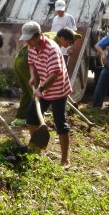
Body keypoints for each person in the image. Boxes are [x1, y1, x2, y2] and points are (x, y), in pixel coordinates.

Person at [20, 21, 72, 167]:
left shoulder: (51, 48)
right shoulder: (32, 46)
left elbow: (54, 74)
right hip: (43, 86)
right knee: (31, 117)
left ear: (38, 36)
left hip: (58, 88)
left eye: (30, 38)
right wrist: (33, 76)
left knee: (60, 122)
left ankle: (65, 160)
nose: (27, 42)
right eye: (26, 39)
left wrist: (40, 89)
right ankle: (37, 149)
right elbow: (31, 63)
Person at [12, 28, 81, 124]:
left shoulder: (53, 38)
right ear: (62, 38)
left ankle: (23, 117)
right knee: (35, 91)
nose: (70, 45)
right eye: (69, 42)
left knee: (29, 91)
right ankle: (35, 117)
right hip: (24, 63)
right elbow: (50, 71)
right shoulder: (50, 44)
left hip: (20, 60)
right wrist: (37, 80)